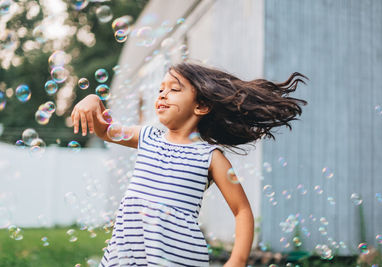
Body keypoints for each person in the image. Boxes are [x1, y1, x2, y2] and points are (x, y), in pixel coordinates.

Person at [71, 62, 308, 267]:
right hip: (126, 254)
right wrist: (92, 99)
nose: (162, 94)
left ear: (201, 106)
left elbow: (242, 210)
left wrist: (237, 260)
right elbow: (103, 130)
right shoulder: (146, 136)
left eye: (174, 89)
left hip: (178, 257)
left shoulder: (211, 157)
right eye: (160, 89)